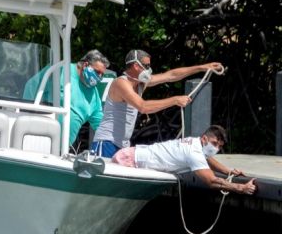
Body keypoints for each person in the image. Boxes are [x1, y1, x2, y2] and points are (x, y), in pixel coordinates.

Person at [90, 49, 222, 157]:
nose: (149, 69)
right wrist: (175, 100)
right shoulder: (121, 83)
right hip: (106, 143)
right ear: (136, 66)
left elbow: (171, 75)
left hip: (123, 146)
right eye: (147, 66)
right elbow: (143, 107)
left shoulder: (140, 83)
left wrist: (202, 67)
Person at [110, 125, 256, 194]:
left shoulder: (195, 142)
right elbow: (211, 181)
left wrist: (227, 171)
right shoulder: (193, 152)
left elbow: (207, 159)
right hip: (130, 160)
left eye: (219, 146)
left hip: (131, 154)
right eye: (214, 143)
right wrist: (240, 188)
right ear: (204, 138)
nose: (216, 148)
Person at [22, 49, 110, 146]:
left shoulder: (94, 95)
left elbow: (102, 126)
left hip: (62, 150)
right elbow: (31, 86)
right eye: (97, 72)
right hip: (36, 138)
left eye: (102, 74)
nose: (99, 77)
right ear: (85, 65)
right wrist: (28, 114)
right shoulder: (61, 71)